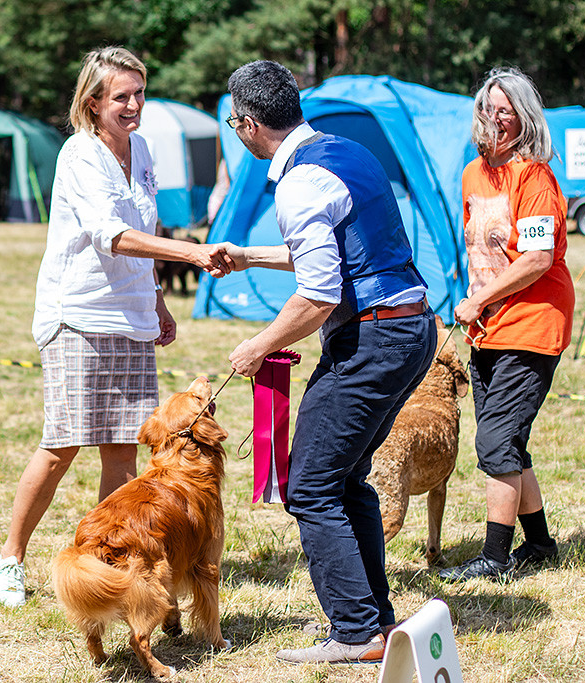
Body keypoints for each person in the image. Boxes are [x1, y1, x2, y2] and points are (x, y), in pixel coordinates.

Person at [0, 47, 233, 608]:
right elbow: (110, 235)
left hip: (131, 317)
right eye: (121, 96)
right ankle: (11, 559)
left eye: (139, 94)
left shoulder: (142, 150)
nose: (134, 105)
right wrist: (190, 255)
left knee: (124, 453)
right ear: (93, 101)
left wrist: (157, 301)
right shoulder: (79, 155)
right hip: (77, 314)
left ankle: (109, 559)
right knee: (62, 445)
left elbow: (139, 230)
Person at [222, 60, 437, 664]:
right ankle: (377, 623)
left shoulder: (295, 184)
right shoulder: (346, 149)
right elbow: (340, 256)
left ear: (246, 125)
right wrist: (247, 257)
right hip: (412, 327)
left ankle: (355, 632)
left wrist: (258, 346)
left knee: (311, 486)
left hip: (375, 338)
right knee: (343, 479)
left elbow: (320, 295)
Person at [437, 67, 574, 582]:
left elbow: (537, 258)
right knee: (509, 440)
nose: (497, 116)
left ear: (524, 117)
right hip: (488, 324)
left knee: (495, 441)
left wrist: (482, 299)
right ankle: (538, 545)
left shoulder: (534, 177)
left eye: (508, 109)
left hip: (534, 321)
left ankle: (494, 558)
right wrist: (477, 302)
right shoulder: (474, 174)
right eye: (490, 107)